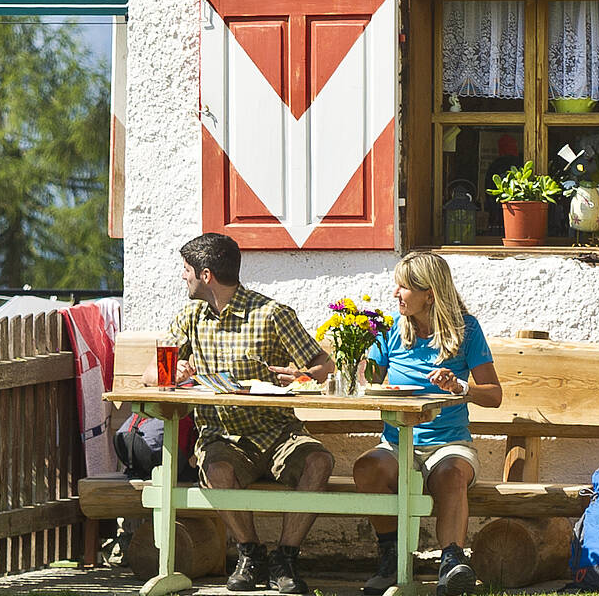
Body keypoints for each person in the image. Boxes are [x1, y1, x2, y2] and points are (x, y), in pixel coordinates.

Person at [143, 232, 336, 594]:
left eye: (186, 270)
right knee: (215, 468)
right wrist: (174, 372)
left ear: (205, 275)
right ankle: (250, 553)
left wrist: (303, 374)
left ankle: (286, 558)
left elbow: (323, 365)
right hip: (222, 436)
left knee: (319, 462)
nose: (181, 277)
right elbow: (150, 375)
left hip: (280, 433)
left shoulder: (271, 315)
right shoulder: (190, 317)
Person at [352, 251, 501, 596]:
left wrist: (460, 387)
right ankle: (391, 556)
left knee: (451, 474)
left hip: (448, 442)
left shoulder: (467, 330)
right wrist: (366, 370)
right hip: (396, 443)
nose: (396, 294)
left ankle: (451, 563)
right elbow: (367, 378)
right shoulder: (390, 328)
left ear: (429, 293)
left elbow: (494, 395)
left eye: (403, 287)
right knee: (366, 469)